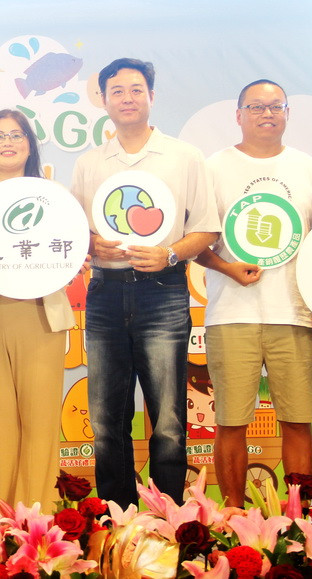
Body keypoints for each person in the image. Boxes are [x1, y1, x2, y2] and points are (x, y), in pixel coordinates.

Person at [71, 58, 219, 508]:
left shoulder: (184, 156)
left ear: (152, 96)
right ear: (104, 100)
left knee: (169, 420)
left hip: (164, 292)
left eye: (137, 89)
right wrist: (92, 243)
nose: (128, 98)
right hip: (105, 294)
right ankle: (116, 518)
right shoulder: (90, 163)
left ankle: (167, 517)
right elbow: (76, 233)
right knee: (105, 420)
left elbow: (207, 228)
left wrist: (169, 253)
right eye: (117, 91)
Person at [195, 80, 312, 507]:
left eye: (275, 106)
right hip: (231, 313)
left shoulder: (309, 168)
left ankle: (299, 518)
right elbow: (196, 241)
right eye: (256, 107)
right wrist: (227, 267)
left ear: (287, 113)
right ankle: (233, 515)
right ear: (238, 115)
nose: (267, 114)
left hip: (295, 314)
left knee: (298, 420)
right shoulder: (214, 168)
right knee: (231, 422)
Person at [0, 109, 77, 511]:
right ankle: (6, 515)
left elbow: (70, 248)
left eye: (16, 135)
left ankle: (40, 513)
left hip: (41, 316)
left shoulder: (52, 195)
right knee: (2, 421)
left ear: (29, 145)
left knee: (41, 421)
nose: (7, 143)